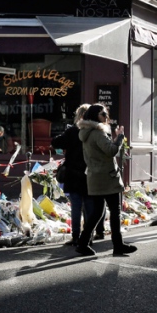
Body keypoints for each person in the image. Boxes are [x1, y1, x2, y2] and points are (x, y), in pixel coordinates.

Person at [75, 104, 137, 257]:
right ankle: (118, 245)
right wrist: (120, 138)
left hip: (95, 177)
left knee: (97, 212)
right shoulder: (98, 133)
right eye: (103, 114)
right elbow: (110, 151)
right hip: (107, 177)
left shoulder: (86, 132)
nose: (106, 117)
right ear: (96, 115)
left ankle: (83, 243)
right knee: (114, 211)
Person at [52, 104, 104, 246]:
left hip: (73, 174)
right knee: (89, 206)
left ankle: (76, 236)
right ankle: (88, 236)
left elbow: (56, 142)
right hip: (89, 173)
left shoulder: (73, 131)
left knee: (76, 206)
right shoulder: (95, 132)